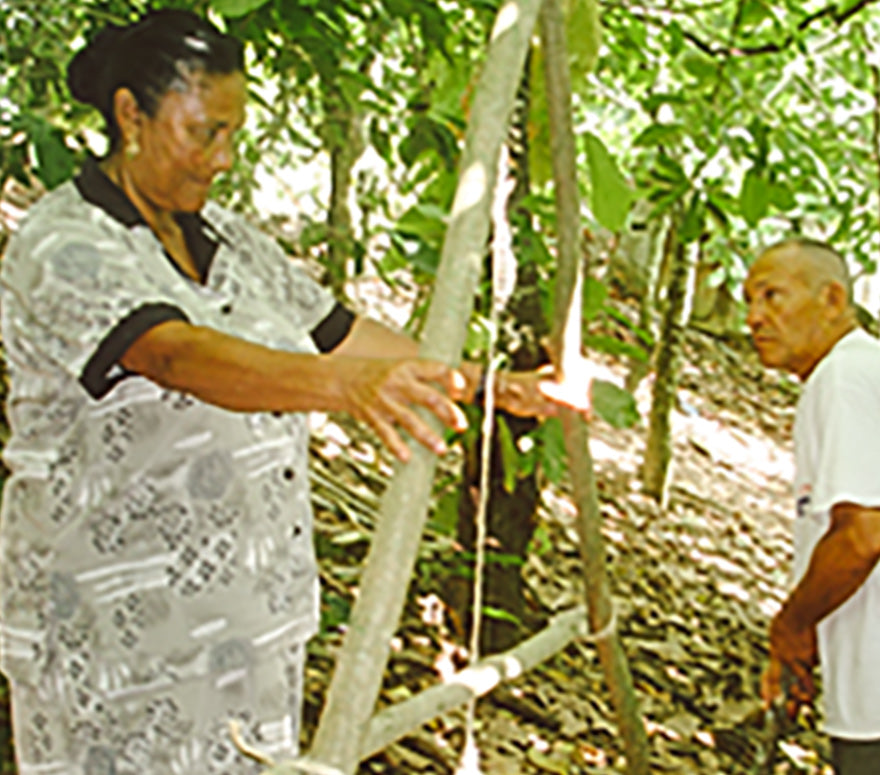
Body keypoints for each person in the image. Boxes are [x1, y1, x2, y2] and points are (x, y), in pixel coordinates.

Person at [0, 10, 588, 774]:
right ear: (129, 115)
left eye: (233, 135)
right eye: (203, 131)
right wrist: (346, 389)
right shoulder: (64, 242)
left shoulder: (233, 241)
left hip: (246, 632)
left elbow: (350, 338)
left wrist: (498, 389)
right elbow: (174, 355)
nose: (221, 158)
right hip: (116, 645)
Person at [744, 237, 880, 774]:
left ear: (832, 299)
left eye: (773, 297)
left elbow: (862, 536)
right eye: (750, 301)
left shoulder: (845, 377)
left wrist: (793, 626)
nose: (754, 318)